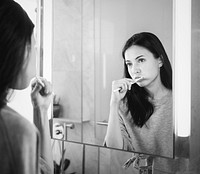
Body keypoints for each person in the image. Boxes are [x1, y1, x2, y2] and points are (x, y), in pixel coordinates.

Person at [0, 0, 53, 173]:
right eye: (34, 45)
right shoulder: (12, 130)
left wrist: (41, 110)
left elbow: (41, 168)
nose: (38, 52)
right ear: (15, 48)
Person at [104, 32, 173, 157]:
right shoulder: (124, 105)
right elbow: (113, 150)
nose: (134, 70)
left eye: (141, 60)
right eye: (129, 64)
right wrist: (114, 104)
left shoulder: (181, 102)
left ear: (160, 61)